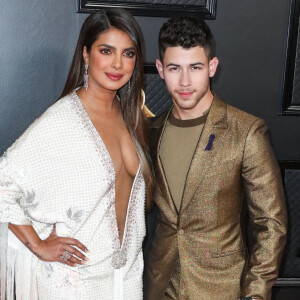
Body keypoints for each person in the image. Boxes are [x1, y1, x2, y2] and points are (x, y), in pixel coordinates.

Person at [0, 8, 153, 300]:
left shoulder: (129, 115)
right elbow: (2, 184)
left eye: (128, 53)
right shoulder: (63, 119)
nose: (118, 63)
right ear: (86, 54)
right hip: (75, 281)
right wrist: (39, 245)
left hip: (126, 276)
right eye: (106, 51)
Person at [144, 16, 287, 300]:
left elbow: (271, 223)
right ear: (160, 69)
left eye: (195, 67)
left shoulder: (246, 131)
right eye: (175, 68)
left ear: (212, 67)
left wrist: (256, 293)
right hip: (160, 287)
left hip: (223, 289)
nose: (184, 81)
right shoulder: (150, 131)